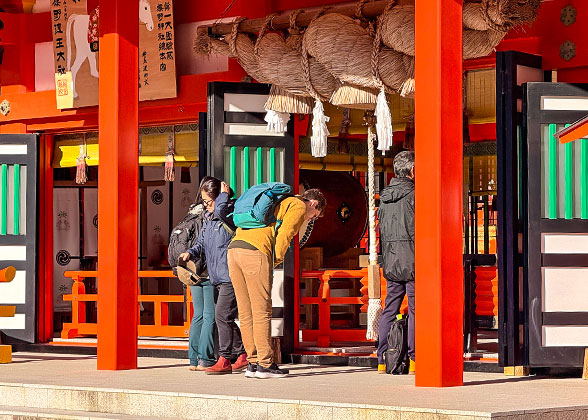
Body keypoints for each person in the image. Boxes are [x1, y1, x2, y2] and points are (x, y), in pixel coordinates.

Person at [228, 188, 326, 379]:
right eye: (315, 216)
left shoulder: (282, 201)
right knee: (261, 310)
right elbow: (285, 235)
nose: (311, 219)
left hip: (234, 250)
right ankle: (265, 364)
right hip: (255, 252)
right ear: (314, 204)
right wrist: (274, 261)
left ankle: (253, 362)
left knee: (245, 311)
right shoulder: (298, 206)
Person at [180, 177, 248, 374]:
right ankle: (242, 354)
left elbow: (220, 210)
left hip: (230, 274)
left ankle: (225, 358)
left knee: (221, 316)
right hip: (216, 276)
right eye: (204, 202)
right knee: (225, 318)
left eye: (208, 201)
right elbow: (201, 242)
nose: (206, 205)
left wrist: (224, 197)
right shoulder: (209, 220)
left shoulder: (229, 213)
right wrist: (190, 252)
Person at [377, 151, 416, 375]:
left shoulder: (384, 197)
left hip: (391, 259)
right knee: (415, 309)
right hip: (413, 259)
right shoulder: (415, 195)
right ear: (412, 171)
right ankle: (414, 359)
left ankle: (382, 359)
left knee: (390, 308)